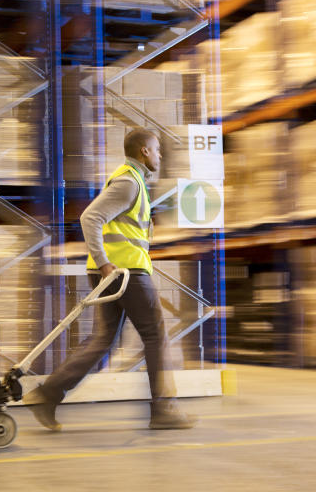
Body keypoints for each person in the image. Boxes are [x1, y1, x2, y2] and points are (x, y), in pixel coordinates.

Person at [27, 128, 195, 431]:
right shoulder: (129, 183)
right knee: (156, 334)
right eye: (157, 149)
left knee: (103, 340)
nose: (159, 154)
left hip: (118, 272)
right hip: (125, 272)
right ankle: (164, 409)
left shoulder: (135, 182)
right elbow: (90, 217)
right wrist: (104, 262)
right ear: (144, 150)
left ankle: (48, 394)